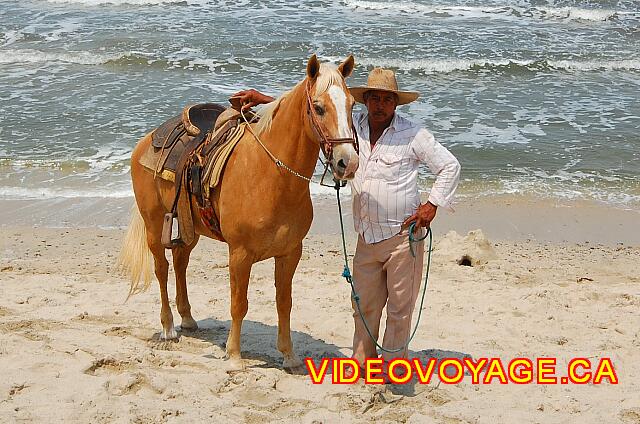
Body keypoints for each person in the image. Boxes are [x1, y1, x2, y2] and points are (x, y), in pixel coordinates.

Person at [232, 67, 461, 381]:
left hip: (401, 237)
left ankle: (393, 370)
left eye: (387, 99)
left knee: (398, 310)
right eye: (374, 98)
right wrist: (263, 100)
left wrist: (431, 206)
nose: (380, 105)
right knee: (364, 307)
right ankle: (364, 365)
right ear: (365, 101)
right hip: (366, 238)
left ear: (396, 104)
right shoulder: (356, 128)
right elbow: (316, 113)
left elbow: (450, 166)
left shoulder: (414, 134)